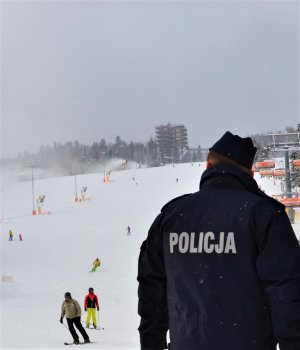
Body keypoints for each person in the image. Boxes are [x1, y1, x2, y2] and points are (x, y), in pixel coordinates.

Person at [137, 131, 300, 350]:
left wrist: (151, 343)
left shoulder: (172, 216)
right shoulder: (263, 215)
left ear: (207, 166)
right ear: (250, 174)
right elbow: (287, 295)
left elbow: (151, 290)